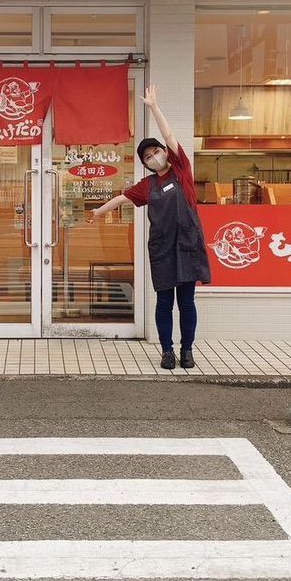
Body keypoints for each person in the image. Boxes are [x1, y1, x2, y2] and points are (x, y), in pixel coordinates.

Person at [88, 84, 211, 371]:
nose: (154, 157)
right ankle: (167, 352)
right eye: (148, 157)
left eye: (156, 152)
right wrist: (98, 211)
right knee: (164, 302)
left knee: (187, 303)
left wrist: (154, 107)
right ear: (145, 164)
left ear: (165, 153)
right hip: (163, 249)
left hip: (188, 245)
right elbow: (122, 197)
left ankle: (187, 351)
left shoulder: (181, 169)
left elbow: (168, 135)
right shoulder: (147, 185)